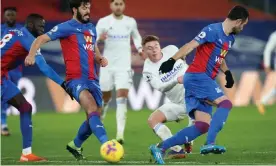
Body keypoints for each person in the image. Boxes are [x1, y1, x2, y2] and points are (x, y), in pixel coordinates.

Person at [150, 6, 249, 164]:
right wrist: (172, 60)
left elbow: (219, 58)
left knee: (202, 125)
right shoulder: (211, 30)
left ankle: (161, 148)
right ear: (237, 21)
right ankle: (210, 144)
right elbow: (190, 45)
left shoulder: (230, 39)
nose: (242, 28)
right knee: (225, 103)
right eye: (243, 24)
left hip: (202, 79)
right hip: (198, 76)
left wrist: (227, 72)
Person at [24, 0, 110, 161]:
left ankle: (75, 145)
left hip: (93, 79)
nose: (87, 11)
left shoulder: (91, 28)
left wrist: (100, 58)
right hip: (76, 80)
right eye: (84, 8)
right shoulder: (66, 27)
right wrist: (31, 55)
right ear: (75, 9)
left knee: (94, 117)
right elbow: (40, 39)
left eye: (89, 8)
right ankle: (108, 145)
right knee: (91, 107)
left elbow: (94, 49)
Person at [1, 13, 71, 162]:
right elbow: (44, 67)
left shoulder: (14, 32)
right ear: (31, 25)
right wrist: (63, 84)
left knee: (25, 107)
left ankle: (26, 154)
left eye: (44, 26)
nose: (43, 29)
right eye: (40, 26)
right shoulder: (29, 39)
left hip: (3, 78)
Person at [96, 0, 143, 144]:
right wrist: (100, 38)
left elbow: (136, 36)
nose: (118, 6)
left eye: (120, 3)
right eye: (115, 3)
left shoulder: (130, 22)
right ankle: (102, 112)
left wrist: (140, 48)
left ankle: (120, 134)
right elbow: (92, 41)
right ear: (111, 6)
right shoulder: (103, 22)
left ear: (124, 6)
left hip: (124, 67)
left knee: (122, 97)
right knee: (105, 97)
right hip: (107, 66)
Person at [142, 35, 194, 159]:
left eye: (156, 46)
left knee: (198, 115)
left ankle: (189, 139)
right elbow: (161, 87)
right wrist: (176, 80)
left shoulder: (171, 49)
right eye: (149, 48)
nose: (154, 50)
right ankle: (177, 149)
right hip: (179, 103)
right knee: (153, 120)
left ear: (160, 46)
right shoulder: (148, 70)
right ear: (144, 51)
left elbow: (184, 53)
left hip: (195, 93)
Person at [1, 7, 24, 136]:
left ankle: (3, 121)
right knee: (2, 97)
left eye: (12, 15)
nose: (10, 17)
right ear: (4, 16)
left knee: (10, 97)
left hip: (16, 70)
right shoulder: (0, 30)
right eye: (8, 15)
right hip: (3, 69)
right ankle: (3, 123)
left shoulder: (21, 30)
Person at [257, 31, 276, 114]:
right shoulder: (275, 35)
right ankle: (262, 102)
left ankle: (262, 102)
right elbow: (268, 50)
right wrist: (267, 64)